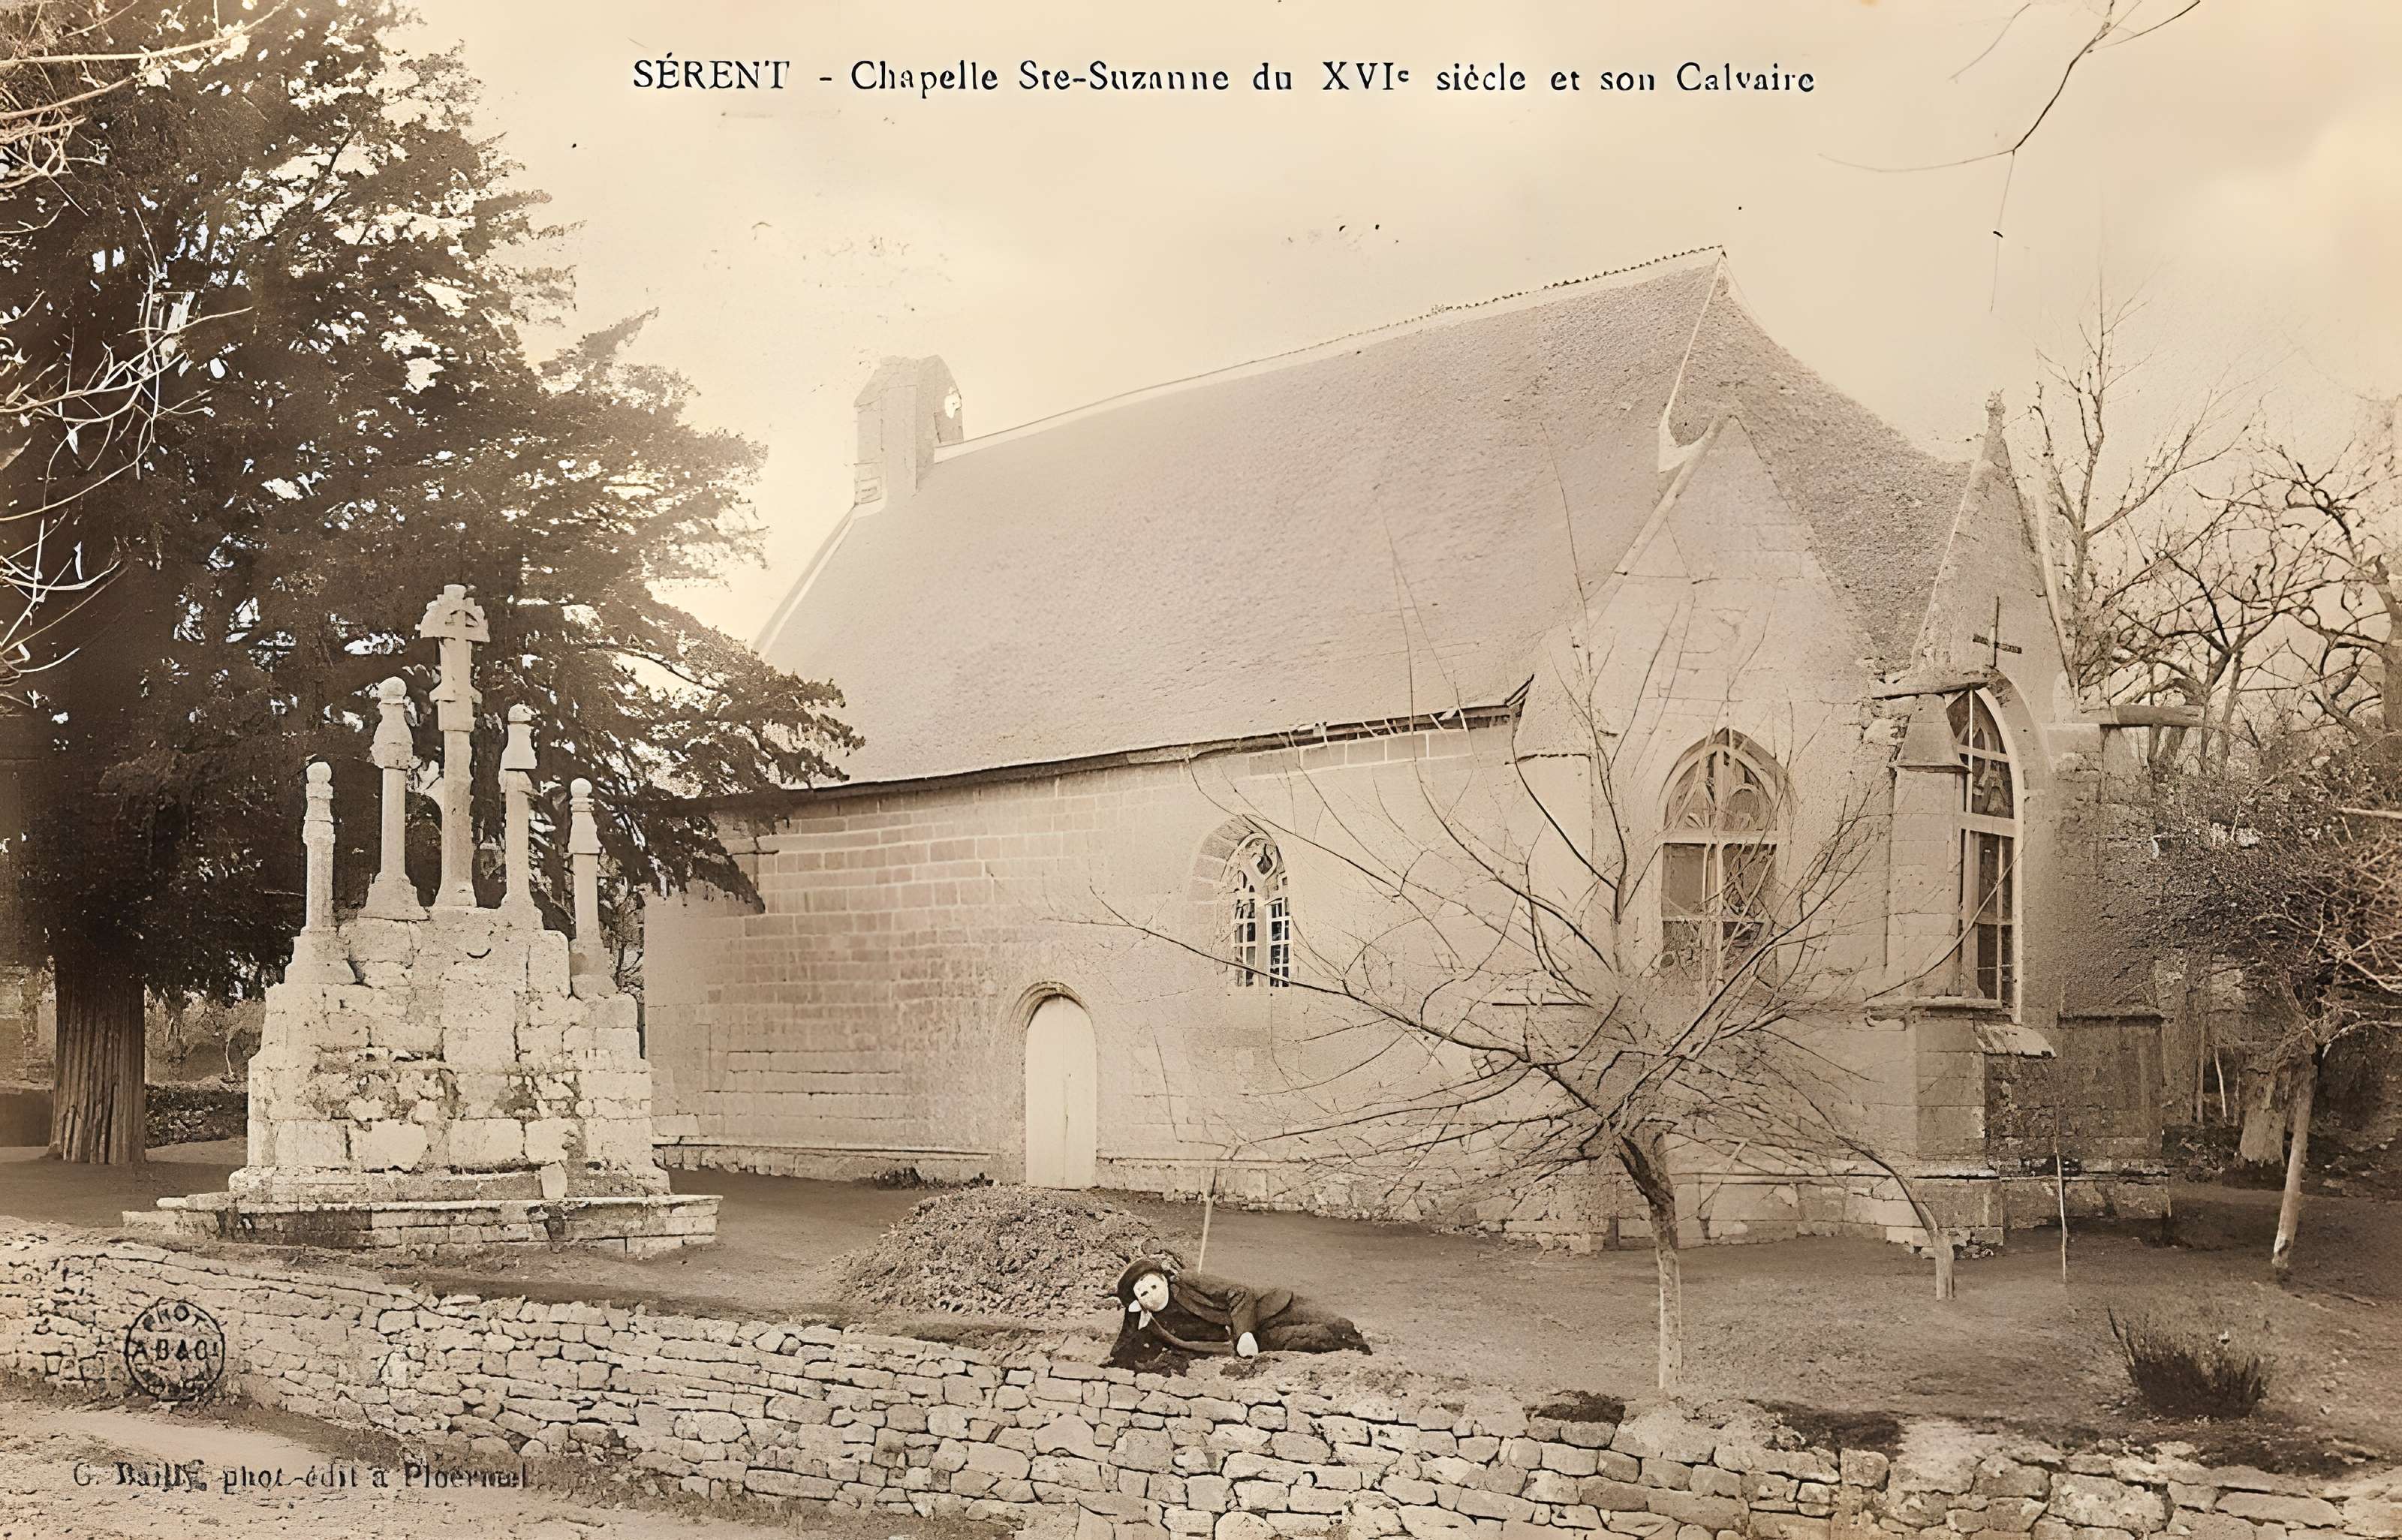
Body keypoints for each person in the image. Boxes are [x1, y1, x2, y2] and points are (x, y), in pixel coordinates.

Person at [1106, 1255, 1368, 1368]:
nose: (1152, 1295)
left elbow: (1240, 1293)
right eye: (1143, 1294)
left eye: (1153, 1286)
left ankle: (1353, 1337)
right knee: (1316, 1339)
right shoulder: (1154, 1325)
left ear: (1164, 1280)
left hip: (1263, 1311)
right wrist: (1132, 1315)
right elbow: (1121, 1356)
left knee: (1335, 1322)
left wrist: (1244, 1334)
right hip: (1253, 1344)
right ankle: (1349, 1342)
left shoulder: (1187, 1282)